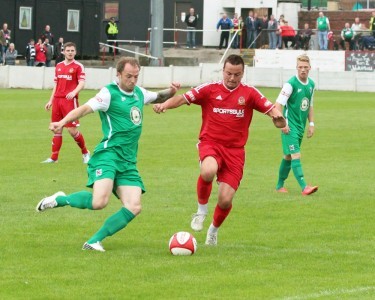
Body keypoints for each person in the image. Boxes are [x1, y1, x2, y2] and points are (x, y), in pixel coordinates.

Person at [36, 57, 181, 252]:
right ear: (119, 74)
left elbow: (158, 97)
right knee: (99, 202)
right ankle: (61, 199)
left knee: (134, 206)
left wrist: (171, 91)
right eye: (128, 76)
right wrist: (62, 122)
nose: (132, 80)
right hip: (109, 155)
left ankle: (94, 241)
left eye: (136, 76)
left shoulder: (139, 92)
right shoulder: (108, 93)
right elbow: (84, 109)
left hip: (128, 161)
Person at [153, 54, 286, 246]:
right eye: (229, 73)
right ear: (223, 71)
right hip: (211, 143)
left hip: (235, 152)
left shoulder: (249, 93)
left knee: (225, 200)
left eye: (237, 75)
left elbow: (270, 108)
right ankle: (201, 211)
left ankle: (213, 231)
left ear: (243, 73)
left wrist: (278, 118)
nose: (232, 78)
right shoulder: (210, 89)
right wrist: (164, 104)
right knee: (208, 170)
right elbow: (183, 98)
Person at [275, 54, 318, 196]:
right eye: (300, 67)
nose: (303, 70)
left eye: (306, 67)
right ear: (296, 68)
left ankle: (279, 185)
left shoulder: (311, 84)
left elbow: (310, 105)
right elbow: (278, 105)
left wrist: (311, 124)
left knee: (287, 156)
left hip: (300, 127)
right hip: (289, 127)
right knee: (295, 155)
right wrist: (282, 124)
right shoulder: (290, 84)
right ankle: (304, 187)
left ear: (310, 68)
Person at [42, 42, 90, 164]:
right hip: (57, 100)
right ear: (63, 51)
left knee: (72, 130)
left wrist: (74, 92)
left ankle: (85, 153)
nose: (70, 52)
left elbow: (82, 83)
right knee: (56, 129)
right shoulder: (58, 66)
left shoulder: (78, 66)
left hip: (69, 101)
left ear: (75, 52)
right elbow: (56, 85)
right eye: (67, 50)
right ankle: (54, 158)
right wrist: (51, 100)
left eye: (72, 50)